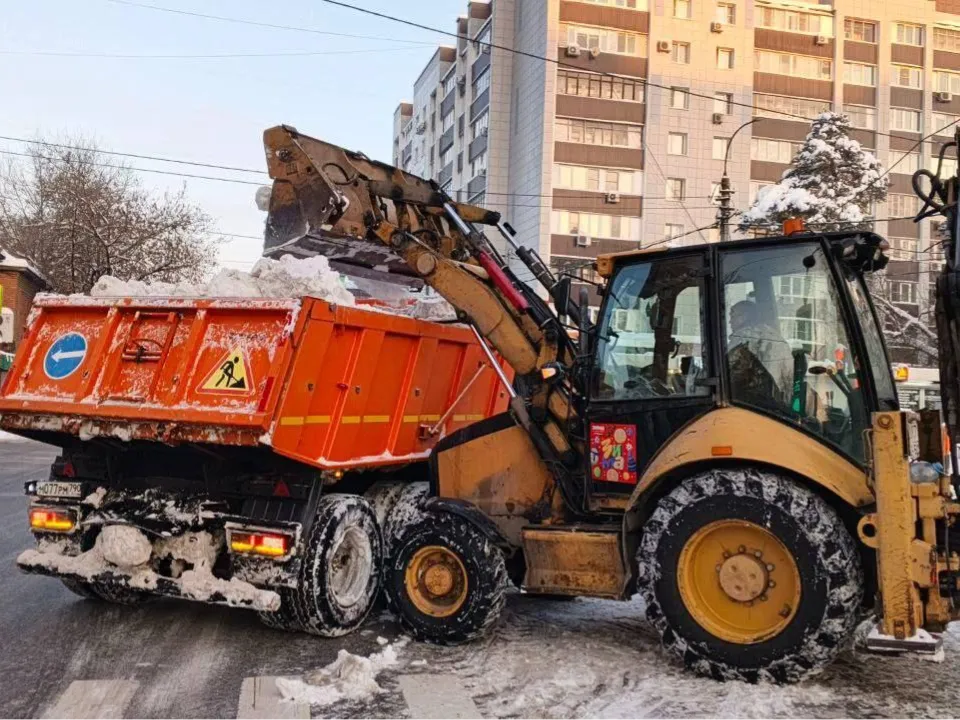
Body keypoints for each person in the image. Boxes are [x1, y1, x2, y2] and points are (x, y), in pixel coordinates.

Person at [727, 300, 795, 406]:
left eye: (733, 316)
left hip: (754, 402)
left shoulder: (743, 337)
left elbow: (727, 371)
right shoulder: (776, 337)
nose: (730, 321)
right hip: (780, 403)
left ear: (744, 316)